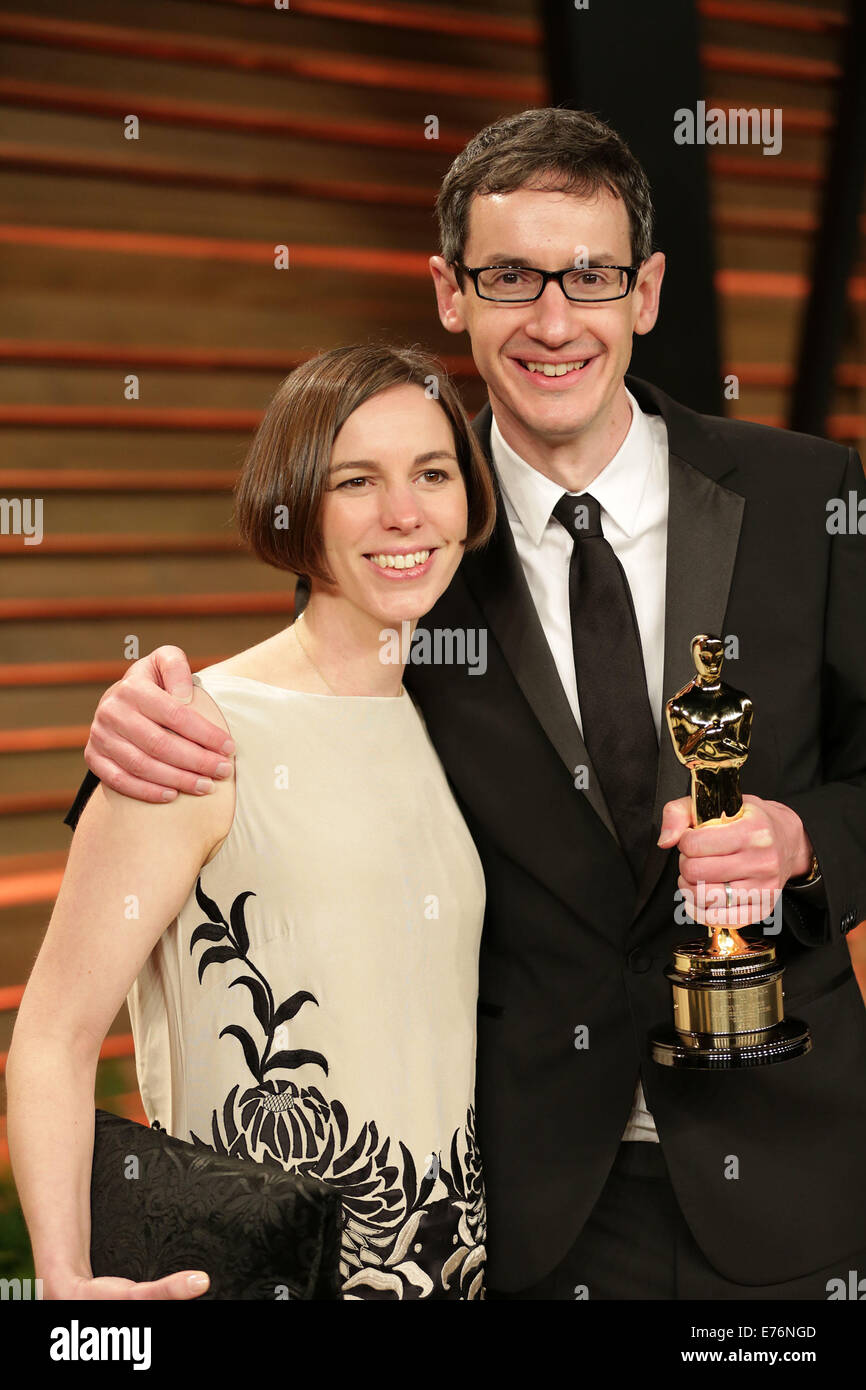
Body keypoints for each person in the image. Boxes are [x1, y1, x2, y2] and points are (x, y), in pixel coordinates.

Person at [63, 108, 866, 1300]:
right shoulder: (412, 542)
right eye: (508, 277)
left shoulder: (812, 495)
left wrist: (803, 842)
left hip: (794, 1173)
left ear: (643, 292)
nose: (552, 320)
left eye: (588, 275)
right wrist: (129, 720)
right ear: (450, 293)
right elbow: (276, 715)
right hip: (530, 1205)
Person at [7, 343, 497, 1302]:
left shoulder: (448, 722)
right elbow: (53, 1036)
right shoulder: (192, 735)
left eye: (433, 473)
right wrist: (61, 1277)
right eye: (358, 479)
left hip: (455, 1271)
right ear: (295, 503)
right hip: (255, 1275)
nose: (406, 513)